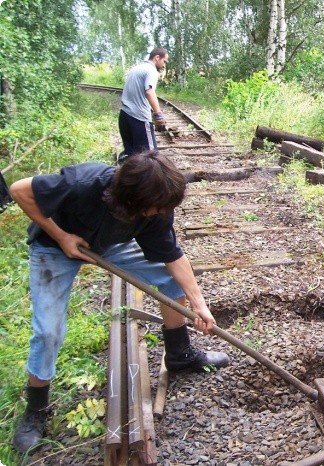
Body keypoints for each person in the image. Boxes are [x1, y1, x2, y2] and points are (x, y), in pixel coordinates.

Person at [9, 151, 230, 453]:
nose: (158, 213)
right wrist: (61, 237)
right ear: (130, 200)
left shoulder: (159, 205)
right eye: (153, 209)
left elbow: (172, 256)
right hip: (54, 248)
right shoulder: (82, 183)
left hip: (109, 245)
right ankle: (35, 409)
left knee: (171, 281)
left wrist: (199, 304)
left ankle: (180, 355)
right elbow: (19, 189)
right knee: (48, 331)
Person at [118, 48, 169, 164]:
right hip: (139, 119)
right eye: (164, 61)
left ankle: (131, 181)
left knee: (131, 156)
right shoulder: (151, 70)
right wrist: (158, 114)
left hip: (124, 116)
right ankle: (150, 182)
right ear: (157, 58)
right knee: (151, 159)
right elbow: (149, 91)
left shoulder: (136, 69)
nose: (164, 65)